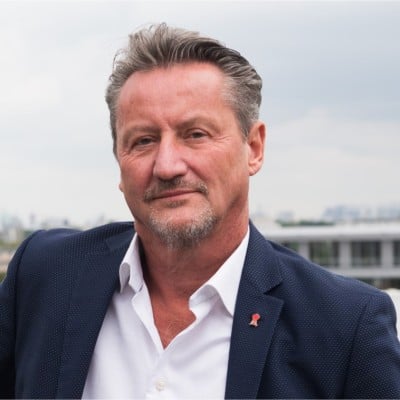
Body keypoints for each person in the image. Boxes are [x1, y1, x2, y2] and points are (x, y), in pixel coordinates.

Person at [1, 23, 400, 399]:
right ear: (119, 161)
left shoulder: (345, 328)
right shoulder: (44, 277)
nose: (167, 166)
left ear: (254, 148)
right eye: (143, 140)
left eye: (195, 134)